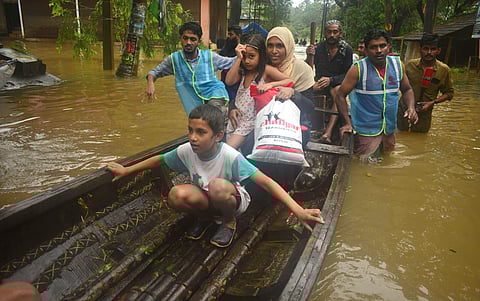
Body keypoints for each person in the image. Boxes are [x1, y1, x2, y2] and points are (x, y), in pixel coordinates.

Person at [107, 104, 323, 248]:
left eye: (201, 133)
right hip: (206, 197)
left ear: (218, 136)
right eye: (190, 130)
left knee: (219, 186)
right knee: (175, 194)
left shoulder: (230, 156)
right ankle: (205, 217)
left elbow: (266, 182)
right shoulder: (187, 150)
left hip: (231, 199)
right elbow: (160, 160)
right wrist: (126, 170)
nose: (193, 138)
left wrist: (298, 210)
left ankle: (228, 223)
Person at [335, 29, 418, 160]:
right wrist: (347, 123)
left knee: (388, 160)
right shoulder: (358, 69)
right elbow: (340, 95)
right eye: (373, 47)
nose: (379, 50)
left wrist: (411, 108)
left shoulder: (397, 65)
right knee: (362, 163)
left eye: (382, 46)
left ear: (388, 46)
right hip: (365, 130)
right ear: (366, 50)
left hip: (389, 127)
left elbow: (407, 89)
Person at [145, 22, 236, 116]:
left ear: (199, 42)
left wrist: (242, 53)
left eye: (193, 39)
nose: (188, 42)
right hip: (193, 100)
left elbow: (231, 62)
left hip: (215, 95)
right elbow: (154, 72)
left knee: (212, 112)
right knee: (197, 122)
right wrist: (151, 84)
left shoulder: (210, 56)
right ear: (180, 38)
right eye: (185, 38)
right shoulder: (174, 59)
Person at [225, 34, 292, 150]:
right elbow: (229, 81)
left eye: (251, 56)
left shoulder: (266, 70)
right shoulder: (243, 71)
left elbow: (289, 80)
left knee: (228, 150)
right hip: (237, 117)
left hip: (250, 122)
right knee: (232, 151)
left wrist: (270, 84)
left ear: (261, 56)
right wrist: (238, 58)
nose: (247, 61)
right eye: (244, 56)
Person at [306, 20, 353, 143]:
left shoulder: (346, 49)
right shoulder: (319, 48)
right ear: (325, 34)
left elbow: (348, 74)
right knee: (305, 89)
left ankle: (328, 132)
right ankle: (306, 127)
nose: (332, 35)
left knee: (337, 92)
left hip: (338, 83)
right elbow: (307, 69)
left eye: (335, 32)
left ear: (340, 33)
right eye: (329, 32)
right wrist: (309, 56)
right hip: (320, 82)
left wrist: (331, 80)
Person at [397, 33, 454, 133]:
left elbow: (449, 93)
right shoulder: (410, 65)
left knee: (419, 142)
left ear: (438, 51)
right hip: (403, 111)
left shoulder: (444, 70)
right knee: (400, 137)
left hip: (424, 116)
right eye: (425, 48)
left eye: (433, 49)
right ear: (420, 49)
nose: (429, 52)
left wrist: (432, 103)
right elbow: (398, 86)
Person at [219, 25, 243, 103]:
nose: (228, 37)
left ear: (238, 36)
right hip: (224, 87)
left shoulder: (244, 53)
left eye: (231, 34)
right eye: (228, 34)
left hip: (236, 89)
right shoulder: (227, 47)